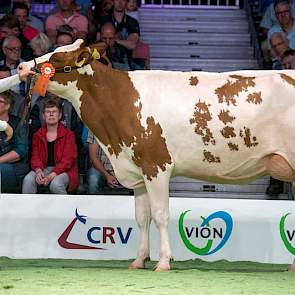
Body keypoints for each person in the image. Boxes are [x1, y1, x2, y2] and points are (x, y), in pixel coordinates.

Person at [22, 97, 79, 194]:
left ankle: (65, 209)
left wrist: (52, 174)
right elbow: (35, 157)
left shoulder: (69, 135)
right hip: (44, 168)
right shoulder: (37, 135)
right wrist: (39, 171)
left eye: (54, 111)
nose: (51, 114)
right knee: (28, 179)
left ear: (60, 115)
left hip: (65, 170)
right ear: (43, 116)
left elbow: (68, 161)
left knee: (56, 184)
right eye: (48, 112)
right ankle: (29, 209)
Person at [0, 90, 29, 192]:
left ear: (7, 106)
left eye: (0, 101)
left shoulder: (18, 123)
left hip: (15, 168)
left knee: (4, 169)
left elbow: (20, 151)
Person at [87, 130, 119, 194]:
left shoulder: (127, 127)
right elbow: (93, 158)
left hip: (123, 170)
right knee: (93, 180)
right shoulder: (95, 128)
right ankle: (93, 203)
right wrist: (107, 175)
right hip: (101, 169)